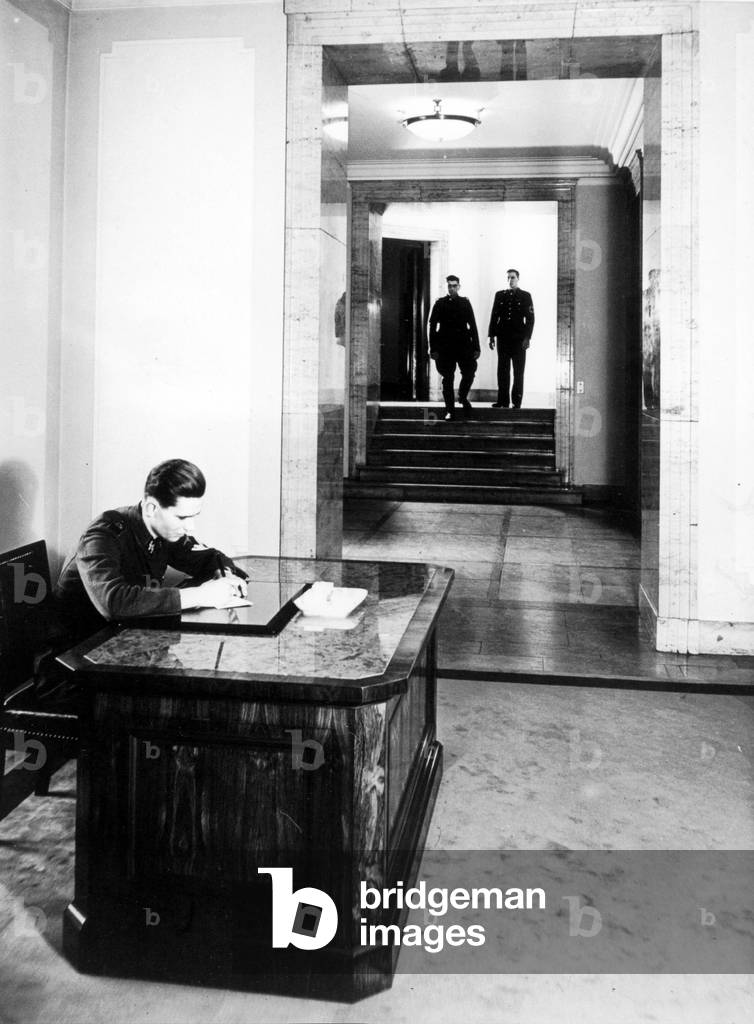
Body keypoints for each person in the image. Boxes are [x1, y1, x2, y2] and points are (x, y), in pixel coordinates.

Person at [55, 458, 248, 640]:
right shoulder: (103, 535)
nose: (191, 527)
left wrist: (225, 576)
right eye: (182, 518)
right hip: (81, 649)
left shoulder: (165, 531)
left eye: (194, 516)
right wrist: (202, 595)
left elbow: (210, 557)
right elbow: (113, 602)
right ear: (151, 509)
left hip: (129, 637)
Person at [428, 274, 480, 420]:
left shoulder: (465, 303)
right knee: (448, 378)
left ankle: (462, 397)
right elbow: (432, 327)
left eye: (454, 285)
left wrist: (476, 347)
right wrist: (433, 348)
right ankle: (449, 410)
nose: (452, 288)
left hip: (464, 345)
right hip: (445, 346)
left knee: (469, 372)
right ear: (447, 287)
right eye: (449, 286)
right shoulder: (440, 303)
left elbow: (473, 325)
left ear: (459, 286)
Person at [487, 268, 535, 408]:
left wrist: (527, 338)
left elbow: (531, 319)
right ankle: (503, 401)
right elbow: (494, 316)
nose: (510, 280)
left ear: (518, 278)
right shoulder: (500, 295)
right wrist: (491, 336)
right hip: (503, 339)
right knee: (502, 370)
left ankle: (516, 401)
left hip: (519, 340)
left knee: (518, 371)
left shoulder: (525, 296)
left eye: (513, 277)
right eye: (508, 278)